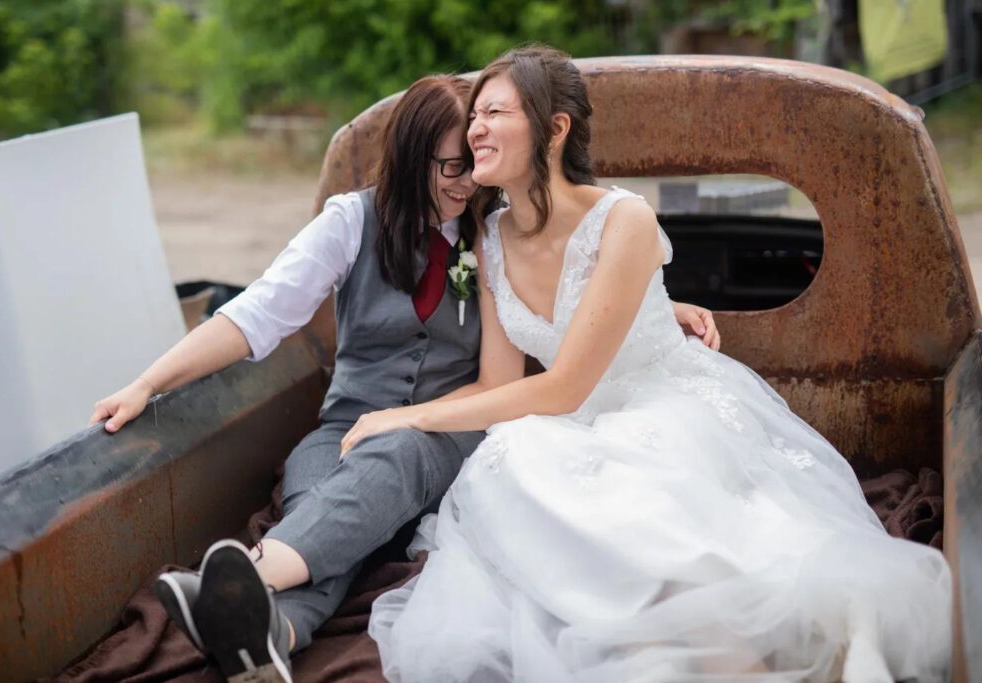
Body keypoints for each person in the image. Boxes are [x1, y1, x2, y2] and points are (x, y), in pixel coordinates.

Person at [88, 73, 719, 683]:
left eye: (471, 164)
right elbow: (260, 313)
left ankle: (245, 578)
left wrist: (661, 307)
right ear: (412, 157)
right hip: (344, 425)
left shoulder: (492, 230)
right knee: (320, 499)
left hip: (451, 430)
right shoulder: (351, 221)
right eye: (451, 166)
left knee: (395, 454)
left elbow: (575, 280)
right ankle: (275, 635)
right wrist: (149, 382)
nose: (467, 182)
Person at [359, 47, 953, 683]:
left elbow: (562, 386)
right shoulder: (491, 237)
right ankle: (645, 635)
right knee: (511, 461)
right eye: (474, 113)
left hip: (661, 403)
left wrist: (410, 412)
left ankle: (731, 654)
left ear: (555, 129)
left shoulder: (626, 218)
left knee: (622, 486)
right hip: (574, 417)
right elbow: (500, 384)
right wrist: (397, 421)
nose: (474, 127)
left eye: (494, 111)